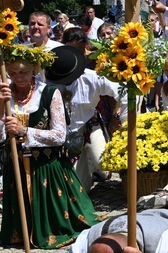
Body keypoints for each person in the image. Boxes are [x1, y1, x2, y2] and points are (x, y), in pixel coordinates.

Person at [0, 45, 100, 249]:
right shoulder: (5, 95)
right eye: (13, 73)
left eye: (24, 72)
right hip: (16, 167)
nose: (18, 77)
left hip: (46, 167)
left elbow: (59, 135)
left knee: (62, 225)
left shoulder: (49, 93)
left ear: (34, 70)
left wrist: (23, 131)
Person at [45, 44, 120, 191]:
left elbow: (122, 92)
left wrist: (116, 116)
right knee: (79, 186)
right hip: (66, 132)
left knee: (102, 162)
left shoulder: (93, 78)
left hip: (90, 124)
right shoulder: (47, 82)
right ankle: (86, 174)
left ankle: (98, 167)